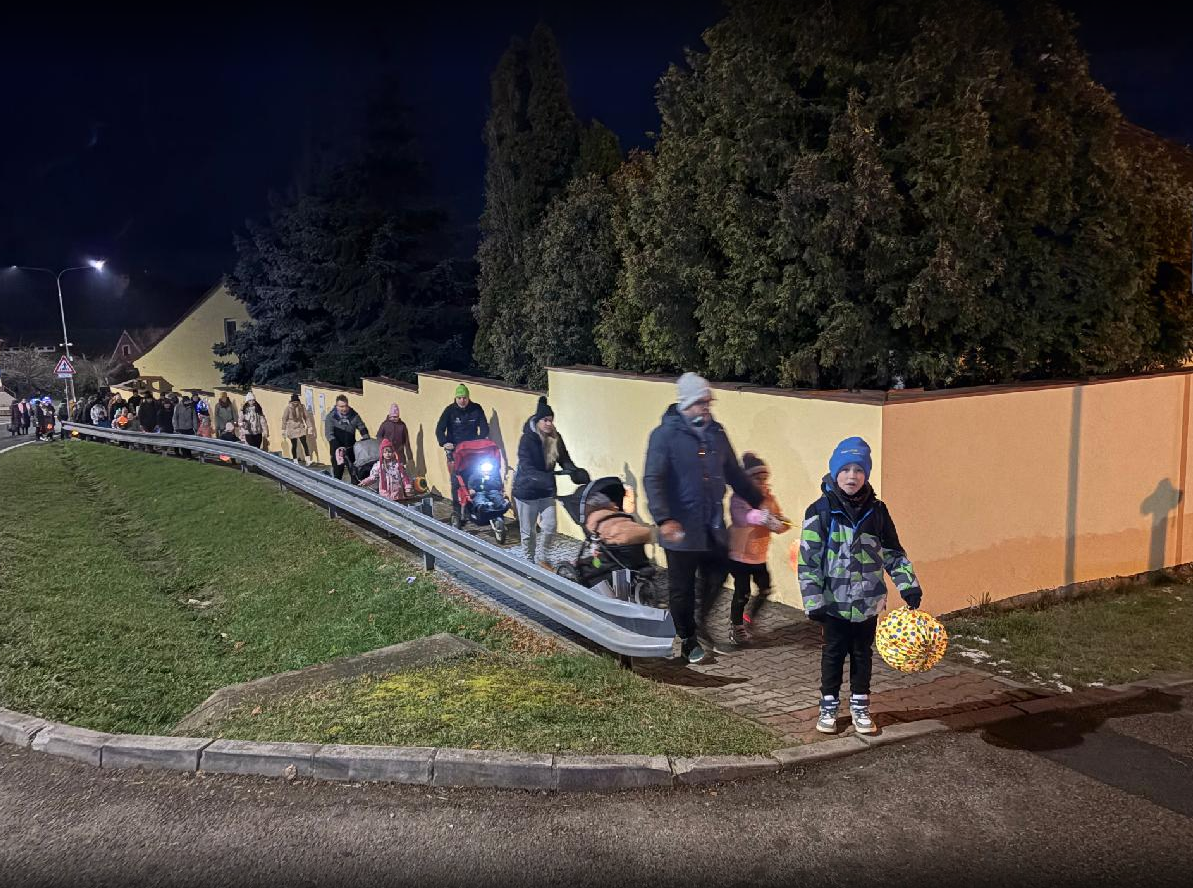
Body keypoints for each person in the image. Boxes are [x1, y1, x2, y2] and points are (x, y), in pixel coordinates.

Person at [796, 436, 924, 736]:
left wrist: (908, 585)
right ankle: (828, 706)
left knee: (862, 654)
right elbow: (808, 560)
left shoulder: (877, 512)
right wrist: (813, 600)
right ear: (835, 472)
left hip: (868, 601)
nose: (851, 476)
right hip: (834, 602)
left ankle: (860, 706)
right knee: (833, 654)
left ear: (866, 474)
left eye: (858, 470)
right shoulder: (820, 511)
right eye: (845, 469)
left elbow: (892, 552)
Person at [643, 372, 763, 665]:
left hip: (712, 525)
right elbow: (653, 478)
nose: (706, 408)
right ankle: (688, 639)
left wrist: (760, 501)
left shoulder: (716, 433)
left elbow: (733, 472)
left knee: (719, 572)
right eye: (701, 403)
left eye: (709, 402)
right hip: (680, 527)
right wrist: (664, 518)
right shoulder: (665, 436)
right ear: (686, 404)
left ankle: (700, 621)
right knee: (681, 587)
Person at [512, 396, 586, 567]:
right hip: (527, 491)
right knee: (529, 532)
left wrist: (574, 472)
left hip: (546, 490)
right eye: (545, 420)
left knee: (550, 526)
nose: (548, 423)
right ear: (537, 421)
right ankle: (528, 561)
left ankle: (542, 557)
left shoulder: (555, 438)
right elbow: (526, 466)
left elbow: (564, 459)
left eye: (551, 420)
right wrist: (543, 477)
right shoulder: (527, 439)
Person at [726, 452, 790, 646]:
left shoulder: (768, 498)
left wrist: (781, 523)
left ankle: (749, 618)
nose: (762, 483)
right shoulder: (739, 498)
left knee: (765, 588)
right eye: (757, 479)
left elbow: (777, 519)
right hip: (739, 556)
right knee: (742, 592)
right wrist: (761, 517)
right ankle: (737, 626)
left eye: (764, 479)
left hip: (759, 556)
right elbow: (742, 517)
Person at [435, 384, 489, 518]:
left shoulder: (476, 409)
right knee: (456, 481)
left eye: (464, 398)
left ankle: (472, 508)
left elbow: (484, 428)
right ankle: (457, 511)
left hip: (472, 451)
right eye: (459, 398)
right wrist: (444, 442)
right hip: (455, 451)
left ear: (468, 397)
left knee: (474, 478)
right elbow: (439, 429)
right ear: (455, 398)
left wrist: (480, 440)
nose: (462, 400)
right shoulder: (450, 411)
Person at [324, 394, 369, 481]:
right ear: (337, 406)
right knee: (337, 474)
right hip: (337, 450)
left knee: (355, 474)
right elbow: (329, 434)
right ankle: (336, 487)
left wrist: (366, 438)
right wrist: (338, 447)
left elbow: (362, 427)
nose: (344, 409)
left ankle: (355, 487)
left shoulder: (354, 415)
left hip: (351, 448)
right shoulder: (330, 417)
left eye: (346, 406)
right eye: (341, 406)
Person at [281, 394, 316, 465]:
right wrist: (283, 429)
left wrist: (309, 426)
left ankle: (308, 460)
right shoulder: (288, 408)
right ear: (291, 402)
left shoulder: (302, 407)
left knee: (304, 443)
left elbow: (306, 417)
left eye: (296, 402)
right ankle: (295, 460)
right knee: (294, 445)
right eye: (294, 402)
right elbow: (284, 419)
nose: (295, 403)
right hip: (292, 428)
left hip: (300, 427)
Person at [376, 403, 413, 467]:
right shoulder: (385, 424)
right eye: (393, 417)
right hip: (388, 452)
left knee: (399, 468)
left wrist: (409, 456)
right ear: (390, 416)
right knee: (388, 468)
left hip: (399, 452)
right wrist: (383, 448)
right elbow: (379, 437)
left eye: (396, 417)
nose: (394, 418)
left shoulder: (402, 425)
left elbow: (406, 440)